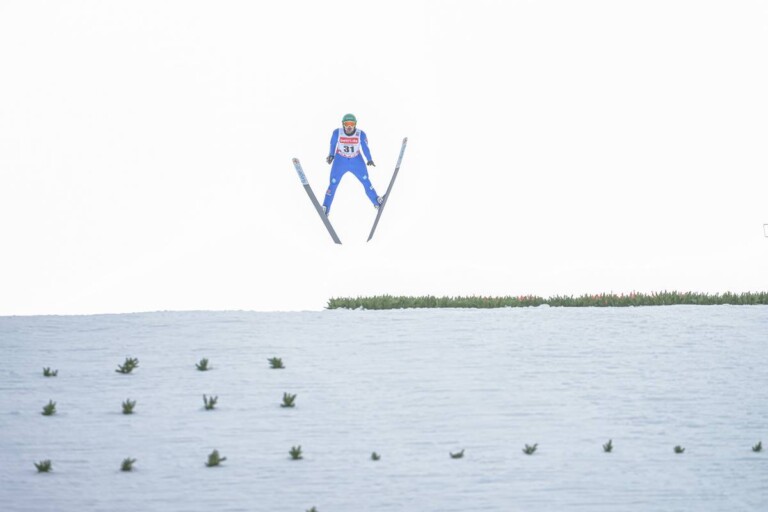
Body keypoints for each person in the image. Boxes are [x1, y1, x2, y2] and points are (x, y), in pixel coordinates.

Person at [322, 113, 383, 216]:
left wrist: (369, 159)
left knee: (365, 180)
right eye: (347, 124)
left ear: (355, 124)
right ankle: (325, 208)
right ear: (343, 124)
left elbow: (365, 147)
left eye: (351, 124)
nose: (349, 126)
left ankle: (376, 201)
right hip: (340, 160)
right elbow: (332, 144)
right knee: (333, 183)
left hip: (356, 160)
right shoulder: (337, 133)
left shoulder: (361, 134)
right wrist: (331, 155)